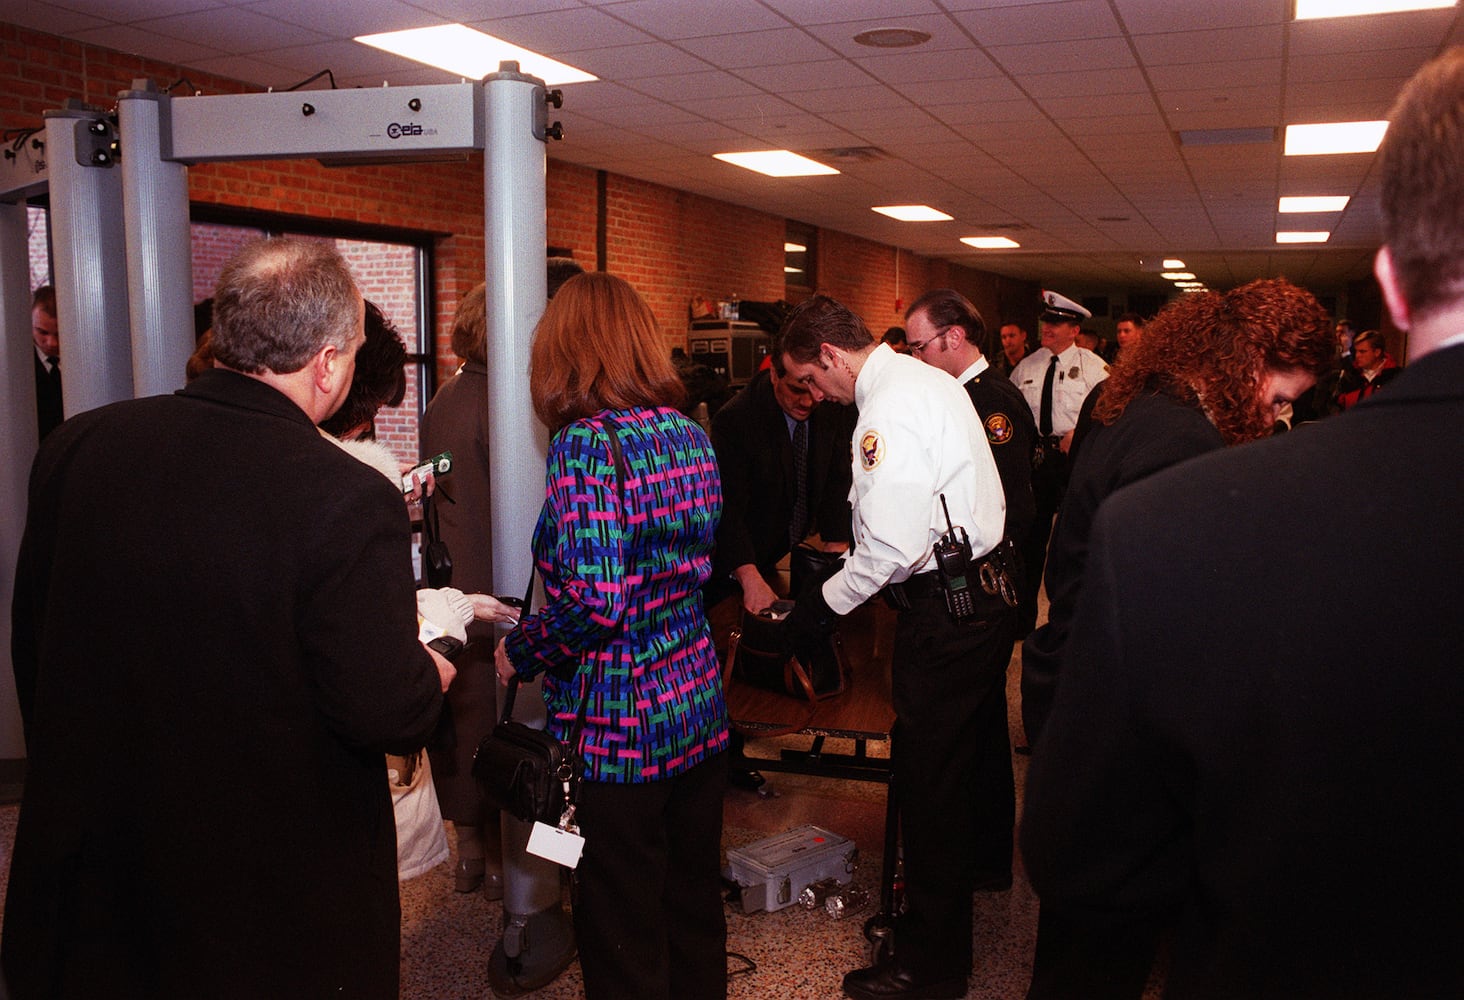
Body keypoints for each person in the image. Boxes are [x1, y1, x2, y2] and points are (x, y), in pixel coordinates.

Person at [1020, 47, 1464, 999]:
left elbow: (1088, 851)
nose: (1277, 417)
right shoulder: (1181, 458)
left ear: (1391, 284)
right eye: (1275, 395)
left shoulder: (1192, 516)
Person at [4, 238, 454, 999]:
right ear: (330, 363)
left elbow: (34, 641)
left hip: (95, 867)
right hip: (263, 899)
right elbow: (382, 709)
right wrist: (430, 671)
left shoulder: (78, 444)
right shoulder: (343, 495)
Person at [492, 271, 728, 1000]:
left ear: (564, 352)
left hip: (619, 733)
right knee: (691, 907)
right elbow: (684, 571)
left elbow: (597, 603)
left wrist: (521, 648)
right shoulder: (688, 433)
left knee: (618, 924)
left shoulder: (587, 445)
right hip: (697, 710)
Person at [775, 295, 1009, 1000]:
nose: (815, 395)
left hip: (947, 613)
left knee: (932, 789)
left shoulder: (885, 409)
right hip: (980, 599)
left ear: (830, 355)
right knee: (947, 779)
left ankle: (930, 968)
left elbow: (892, 549)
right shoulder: (926, 378)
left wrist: (818, 609)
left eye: (811, 380)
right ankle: (933, 930)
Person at [1019, 277, 1334, 748]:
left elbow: (1071, 542)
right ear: (1244, 364)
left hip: (1070, 661)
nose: (1273, 418)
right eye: (1279, 399)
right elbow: (1165, 620)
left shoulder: (1126, 395)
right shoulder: (1186, 443)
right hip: (1111, 701)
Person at [903, 287, 1033, 891]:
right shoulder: (952, 398)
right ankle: (982, 857)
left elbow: (1005, 515)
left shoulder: (992, 403)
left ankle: (983, 858)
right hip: (971, 593)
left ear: (955, 338)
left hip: (984, 591)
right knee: (977, 730)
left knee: (976, 732)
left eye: (918, 345)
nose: (914, 356)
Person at [707, 349, 855, 615]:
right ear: (775, 373)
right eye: (797, 390)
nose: (808, 401)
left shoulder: (829, 406)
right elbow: (727, 511)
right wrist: (748, 575)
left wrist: (836, 550)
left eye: (815, 389)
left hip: (783, 551)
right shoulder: (735, 421)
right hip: (737, 562)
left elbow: (837, 479)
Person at [1008, 290, 1109, 635]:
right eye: (1045, 321)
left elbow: (1111, 415)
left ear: (1074, 329)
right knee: (1030, 541)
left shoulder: (1095, 368)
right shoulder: (1027, 366)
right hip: (1037, 462)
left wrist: (1080, 434)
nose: (1046, 327)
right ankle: (1021, 623)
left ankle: (1068, 622)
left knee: (1071, 539)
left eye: (1056, 322)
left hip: (1075, 461)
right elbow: (1013, 415)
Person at [1336, 328, 1402, 409]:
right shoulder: (1350, 376)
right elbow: (1339, 406)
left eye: (1362, 351)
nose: (1357, 356)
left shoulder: (1397, 377)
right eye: (1356, 351)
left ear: (1377, 352)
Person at [30, 285, 63, 440]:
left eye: (59, 333)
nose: (51, 343)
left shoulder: (87, 364)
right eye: (42, 332)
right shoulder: (16, 367)